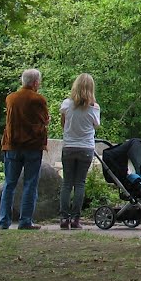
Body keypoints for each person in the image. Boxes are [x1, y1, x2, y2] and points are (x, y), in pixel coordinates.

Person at [0, 68, 50, 230]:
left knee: (9, 183)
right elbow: (45, 120)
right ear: (35, 83)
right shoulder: (38, 99)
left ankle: (4, 222)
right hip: (33, 146)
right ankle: (25, 221)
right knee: (30, 183)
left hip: (12, 145)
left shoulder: (11, 98)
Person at [58, 73, 100, 229]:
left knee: (67, 183)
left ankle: (64, 218)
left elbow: (64, 123)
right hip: (86, 148)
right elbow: (96, 125)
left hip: (69, 146)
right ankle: (76, 219)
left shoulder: (66, 104)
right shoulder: (94, 107)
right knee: (80, 183)